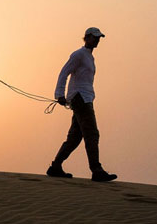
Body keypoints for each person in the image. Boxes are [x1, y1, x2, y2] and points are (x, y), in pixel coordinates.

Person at [47, 27, 118, 182]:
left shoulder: (90, 57)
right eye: (94, 37)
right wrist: (59, 94)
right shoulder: (78, 55)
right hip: (80, 99)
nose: (97, 40)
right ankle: (96, 170)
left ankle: (55, 166)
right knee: (92, 133)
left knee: (74, 137)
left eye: (99, 38)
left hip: (86, 98)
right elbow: (64, 72)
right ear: (86, 38)